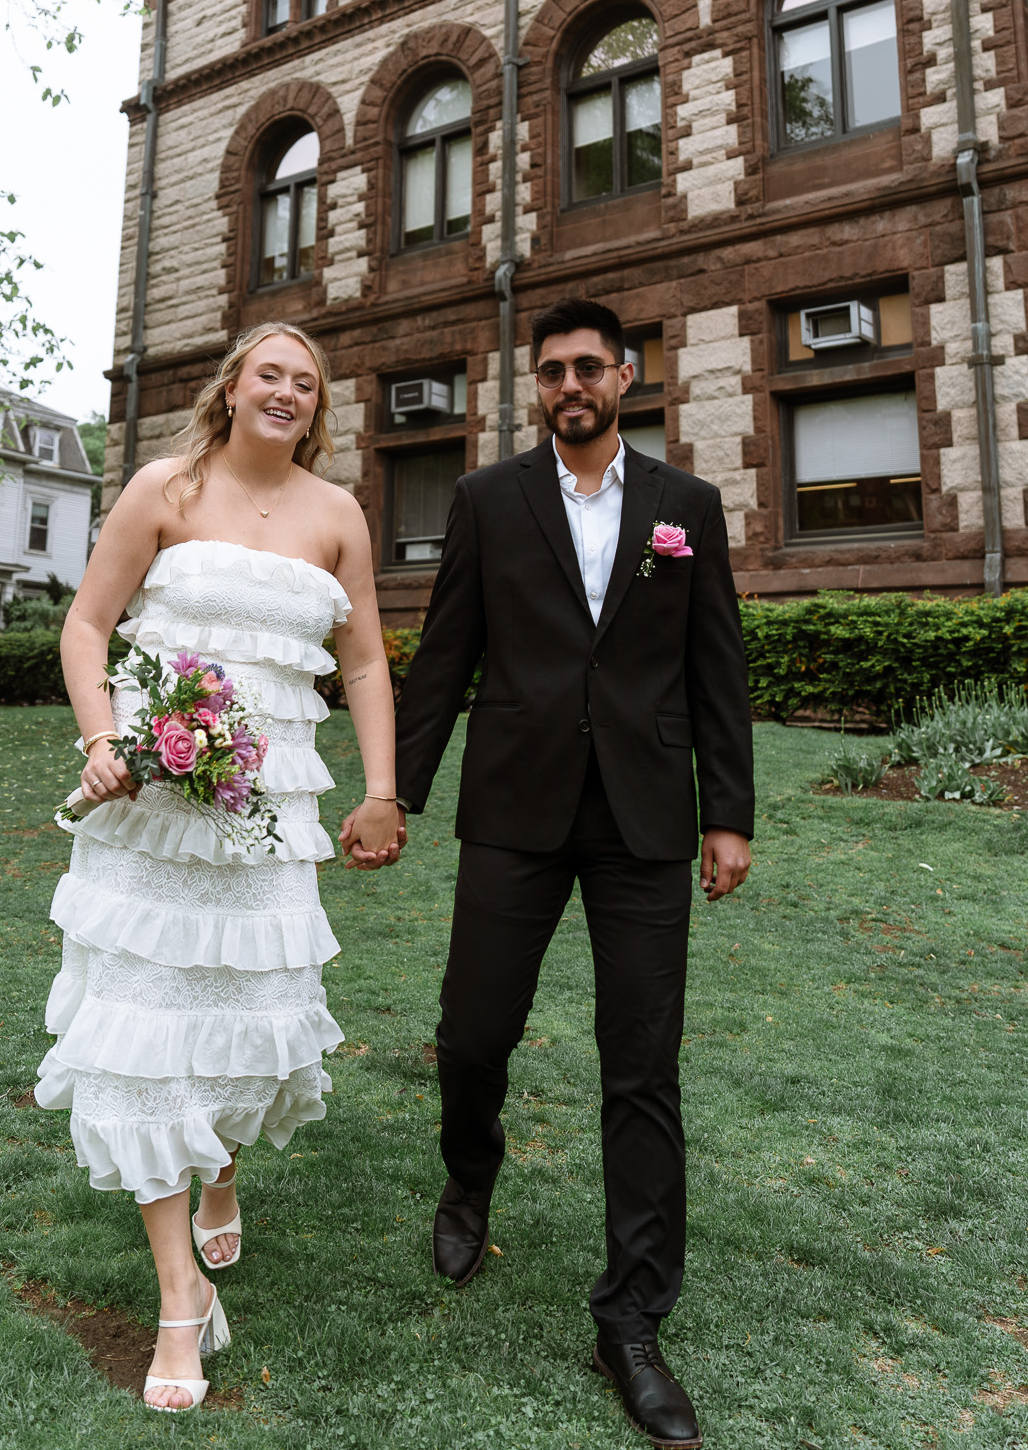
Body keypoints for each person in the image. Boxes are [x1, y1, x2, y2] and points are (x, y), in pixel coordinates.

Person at [385, 297, 754, 1449]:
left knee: (642, 1063)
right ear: (536, 385)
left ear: (626, 375)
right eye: (551, 370)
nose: (569, 385)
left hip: (644, 820)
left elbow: (717, 667)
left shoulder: (686, 506)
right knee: (473, 1032)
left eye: (588, 366)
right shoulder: (487, 499)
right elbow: (446, 654)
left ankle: (632, 1319)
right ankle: (469, 1174)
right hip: (515, 807)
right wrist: (398, 789)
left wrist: (727, 815)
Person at [40, 321, 400, 1412]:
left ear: (316, 406)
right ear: (233, 387)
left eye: (306, 383)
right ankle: (179, 1297)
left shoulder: (338, 515)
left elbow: (365, 660)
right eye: (269, 374)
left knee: (247, 1016)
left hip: (267, 815)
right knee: (144, 1034)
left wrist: (381, 788)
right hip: (152, 806)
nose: (286, 392)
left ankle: (222, 1168)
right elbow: (87, 624)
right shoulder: (164, 487)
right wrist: (103, 739)